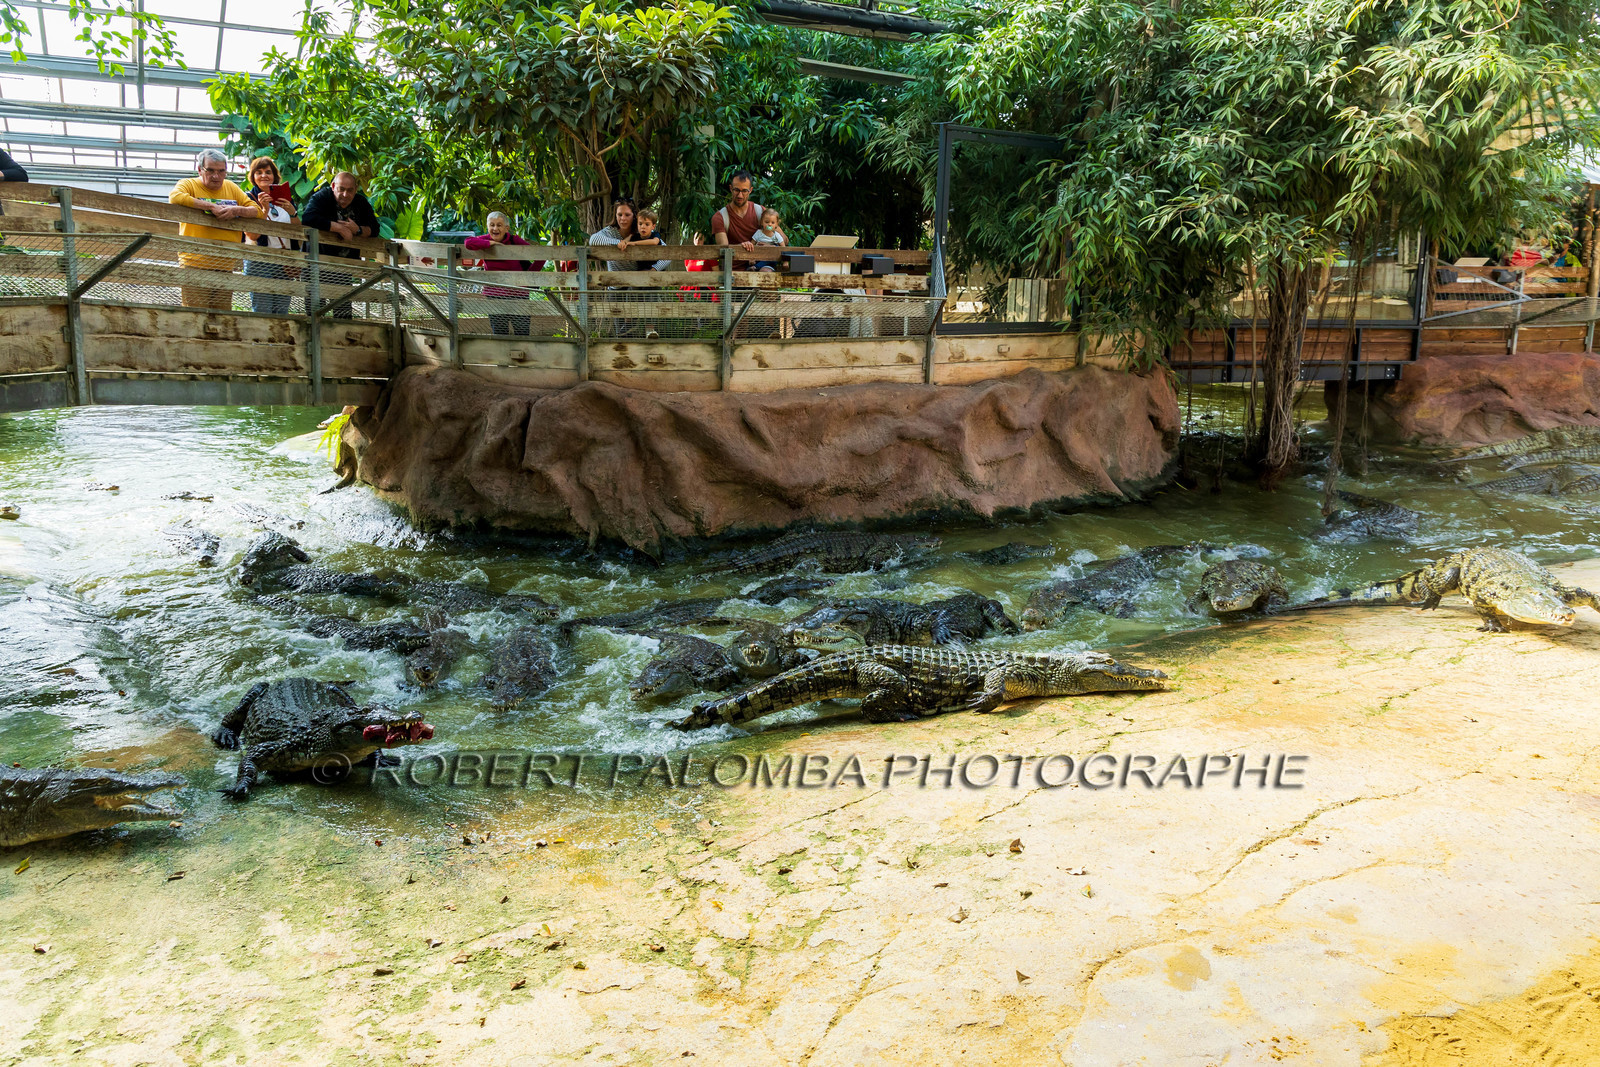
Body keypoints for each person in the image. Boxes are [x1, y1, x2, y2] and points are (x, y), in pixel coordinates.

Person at [168, 148, 261, 310]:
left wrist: (236, 210)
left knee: (222, 317)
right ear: (199, 170)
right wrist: (211, 206)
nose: (216, 176)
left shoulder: (231, 187)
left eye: (221, 171)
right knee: (195, 315)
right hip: (194, 264)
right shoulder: (188, 184)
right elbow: (175, 197)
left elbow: (256, 210)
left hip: (225, 266)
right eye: (210, 170)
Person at [300, 172, 380, 319]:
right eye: (341, 189)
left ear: (355, 190)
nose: (345, 194)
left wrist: (358, 230)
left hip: (342, 267)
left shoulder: (361, 202)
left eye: (350, 190)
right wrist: (339, 228)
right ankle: (315, 341)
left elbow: (375, 228)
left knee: (343, 315)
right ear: (333, 186)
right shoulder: (322, 197)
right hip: (316, 265)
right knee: (314, 315)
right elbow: (308, 218)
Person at [464, 211, 544, 336]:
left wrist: (528, 278)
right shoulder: (485, 239)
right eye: (492, 225)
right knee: (500, 333)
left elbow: (540, 256)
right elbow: (468, 242)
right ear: (487, 227)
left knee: (522, 332)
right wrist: (492, 244)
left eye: (499, 225)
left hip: (518, 294)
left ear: (506, 228)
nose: (495, 228)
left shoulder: (514, 240)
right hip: (495, 294)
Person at [242, 156, 299, 316]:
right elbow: (252, 235)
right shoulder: (249, 199)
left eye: (268, 172)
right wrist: (264, 210)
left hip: (284, 261)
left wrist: (292, 213)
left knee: (281, 311)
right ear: (253, 177)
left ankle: (279, 341)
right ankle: (261, 341)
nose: (264, 176)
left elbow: (298, 232)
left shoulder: (285, 198)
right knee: (262, 310)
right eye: (258, 172)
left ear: (274, 175)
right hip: (260, 261)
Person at [590, 199, 640, 336]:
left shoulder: (640, 231)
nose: (623, 219)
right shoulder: (610, 232)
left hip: (636, 285)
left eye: (627, 215)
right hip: (615, 285)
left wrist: (655, 270)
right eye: (619, 215)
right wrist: (618, 243)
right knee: (620, 331)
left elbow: (664, 248)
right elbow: (593, 239)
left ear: (634, 215)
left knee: (633, 328)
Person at [710, 170, 764, 268]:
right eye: (736, 190)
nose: (740, 195)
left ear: (750, 190)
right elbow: (724, 250)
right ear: (731, 189)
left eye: (744, 191)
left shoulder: (761, 212)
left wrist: (770, 245)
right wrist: (742, 246)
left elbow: (783, 239)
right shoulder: (720, 217)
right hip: (731, 275)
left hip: (759, 270)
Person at [750, 207, 786, 272]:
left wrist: (785, 262)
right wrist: (751, 258)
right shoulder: (758, 233)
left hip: (770, 260)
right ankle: (755, 266)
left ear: (776, 224)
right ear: (761, 222)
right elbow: (751, 245)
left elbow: (783, 248)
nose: (769, 224)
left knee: (774, 252)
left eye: (772, 223)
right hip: (758, 257)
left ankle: (756, 267)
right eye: (767, 222)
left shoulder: (776, 235)